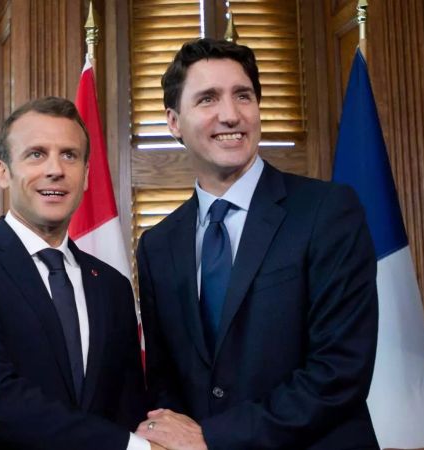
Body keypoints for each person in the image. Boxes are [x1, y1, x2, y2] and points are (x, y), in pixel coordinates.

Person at [135, 38, 380, 450]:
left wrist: (212, 439)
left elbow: (339, 371)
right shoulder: (157, 245)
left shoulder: (328, 211)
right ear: (174, 121)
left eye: (243, 96)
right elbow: (164, 383)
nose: (230, 115)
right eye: (208, 99)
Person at [0, 96, 152, 449]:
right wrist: (133, 447)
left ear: (87, 176)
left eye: (69, 155)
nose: (55, 169)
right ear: (3, 172)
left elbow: (126, 405)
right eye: (36, 154)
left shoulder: (112, 286)